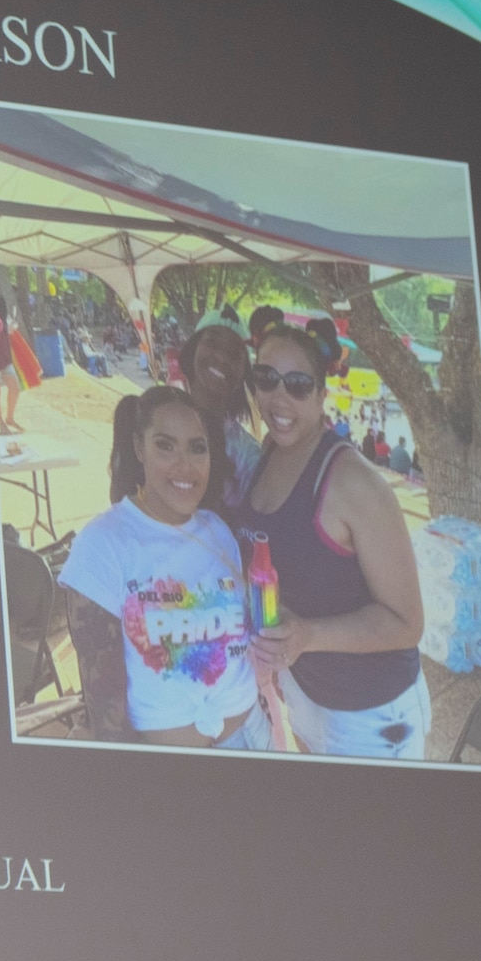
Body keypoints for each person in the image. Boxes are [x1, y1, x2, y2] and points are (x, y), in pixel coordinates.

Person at [230, 326, 428, 759]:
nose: (279, 399)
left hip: (371, 716)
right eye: (266, 379)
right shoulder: (269, 450)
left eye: (298, 385)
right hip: (307, 694)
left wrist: (308, 635)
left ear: (321, 395)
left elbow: (408, 623)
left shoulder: (354, 484)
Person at [59, 386, 263, 750]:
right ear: (140, 448)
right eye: (165, 446)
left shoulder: (218, 530)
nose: (185, 466)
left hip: (253, 735)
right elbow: (104, 698)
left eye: (197, 448)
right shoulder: (102, 545)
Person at [177, 324, 261, 503]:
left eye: (234, 354)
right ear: (193, 349)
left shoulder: (249, 456)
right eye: (212, 343)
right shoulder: (156, 422)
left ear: (243, 375)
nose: (222, 358)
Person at [0, 293, 21, 433]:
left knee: (15, 388)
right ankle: (1, 423)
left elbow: (9, 329)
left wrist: (12, 326)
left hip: (5, 360)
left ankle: (9, 418)